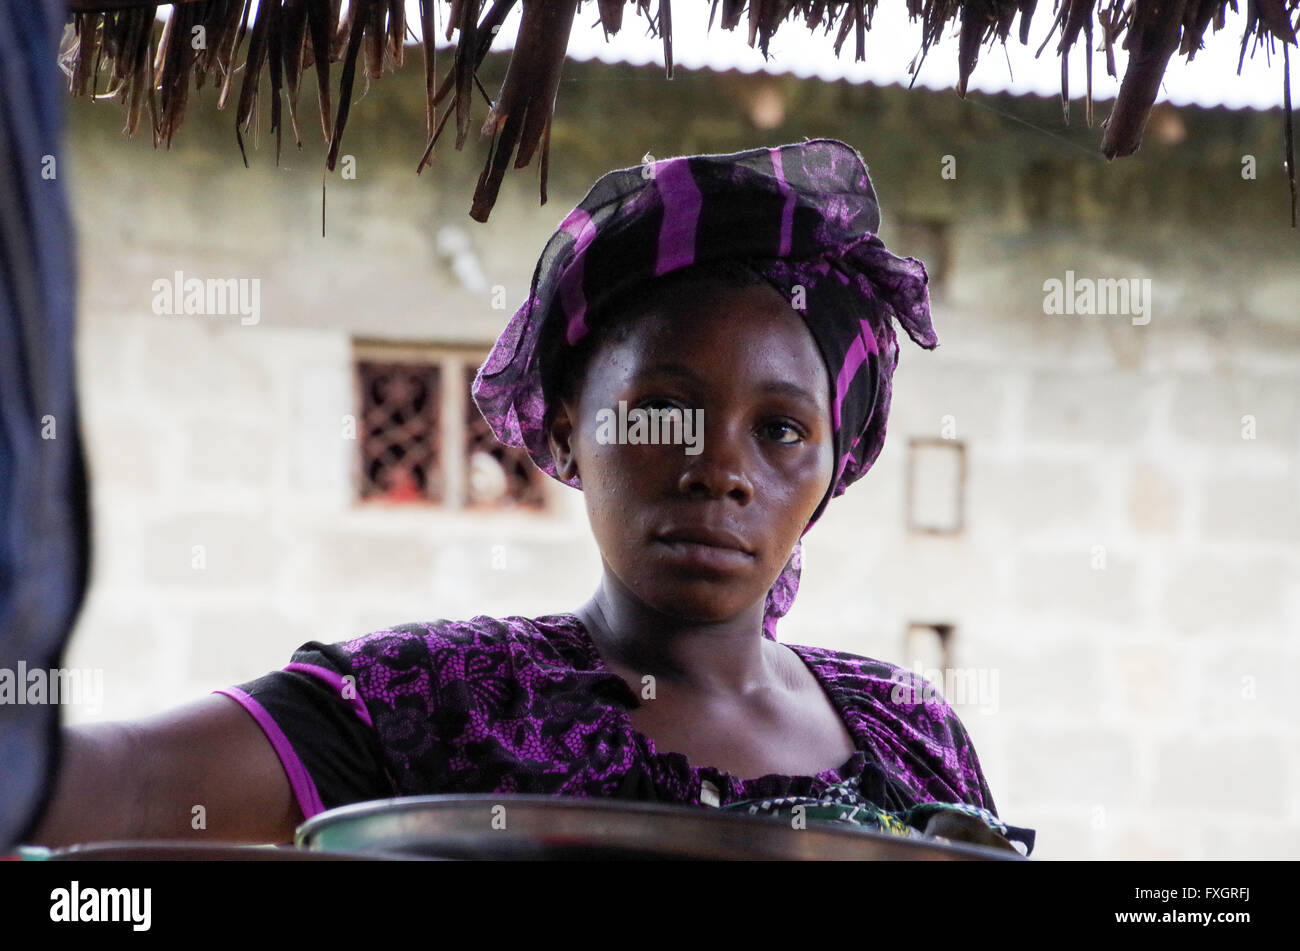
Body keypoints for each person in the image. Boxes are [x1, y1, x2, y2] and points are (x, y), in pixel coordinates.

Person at [30, 138, 1034, 856]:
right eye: (662, 410)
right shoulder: (441, 701)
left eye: (780, 430)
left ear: (830, 470)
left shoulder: (907, 730)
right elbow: (132, 784)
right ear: (564, 428)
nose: (718, 468)